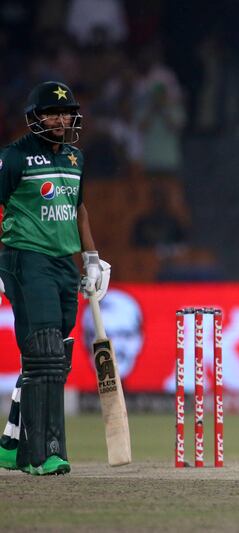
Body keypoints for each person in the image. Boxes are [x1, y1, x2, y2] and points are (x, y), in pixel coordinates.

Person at [0, 81, 109, 474]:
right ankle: (44, 454)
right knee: (44, 352)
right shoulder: (14, 158)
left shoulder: (76, 158)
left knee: (53, 359)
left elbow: (79, 210)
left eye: (65, 112)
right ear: (34, 118)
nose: (61, 119)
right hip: (27, 259)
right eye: (52, 113)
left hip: (64, 263)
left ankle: (12, 444)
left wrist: (92, 259)